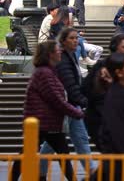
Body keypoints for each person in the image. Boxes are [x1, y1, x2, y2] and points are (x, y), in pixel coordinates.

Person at [9, 41, 84, 181]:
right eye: (57, 50)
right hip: (43, 123)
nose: (60, 52)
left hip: (46, 123)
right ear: (50, 54)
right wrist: (77, 112)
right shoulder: (44, 73)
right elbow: (57, 100)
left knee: (57, 155)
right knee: (62, 156)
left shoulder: (47, 72)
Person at [39, 28, 98, 177]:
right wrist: (85, 102)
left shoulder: (70, 56)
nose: (75, 41)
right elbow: (70, 86)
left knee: (79, 141)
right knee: (54, 145)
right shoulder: (63, 59)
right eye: (72, 38)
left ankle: (92, 173)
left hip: (70, 107)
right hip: (65, 108)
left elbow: (75, 84)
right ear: (63, 41)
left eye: (76, 38)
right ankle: (38, 173)